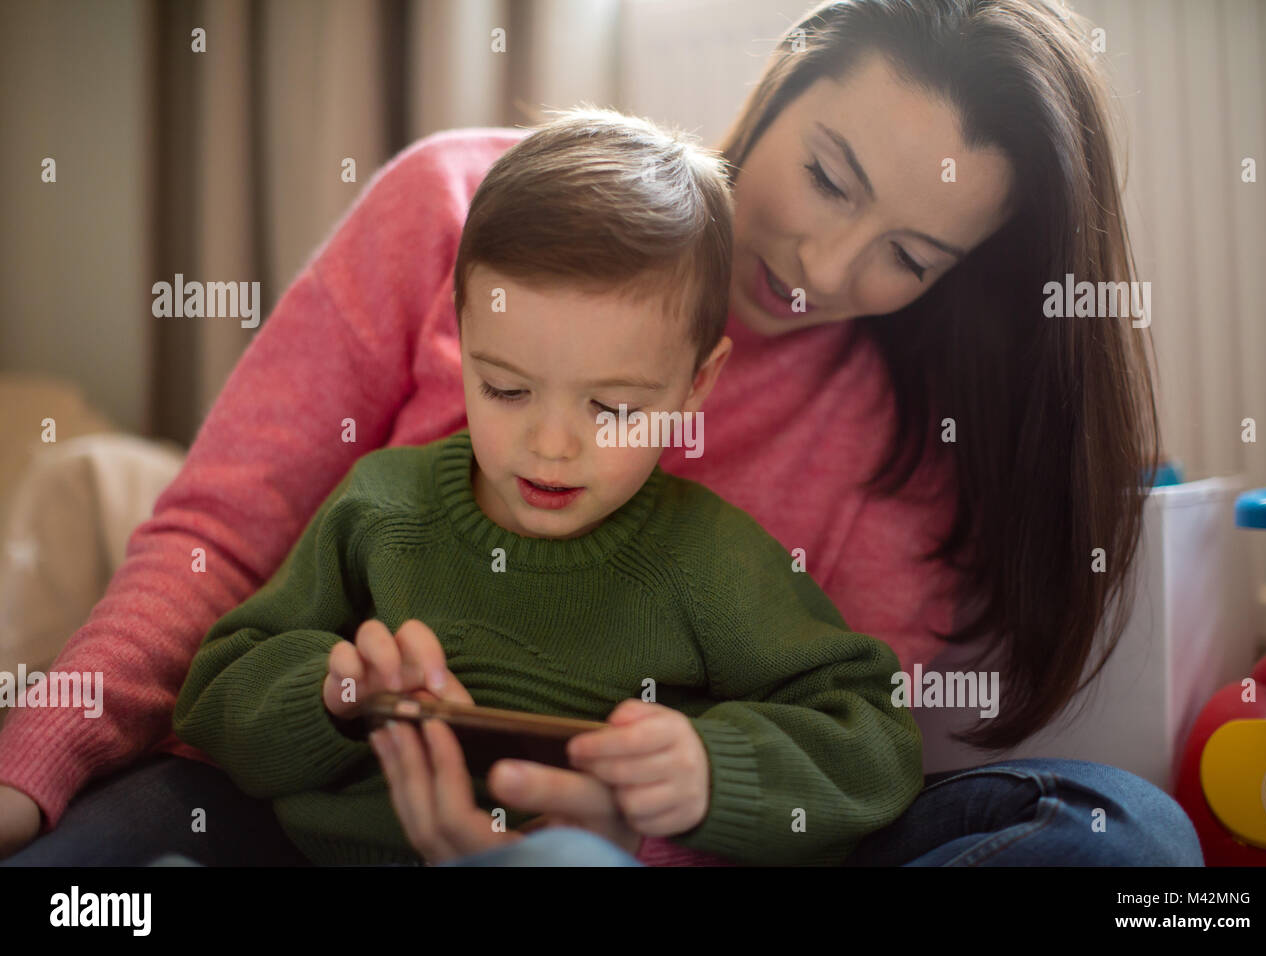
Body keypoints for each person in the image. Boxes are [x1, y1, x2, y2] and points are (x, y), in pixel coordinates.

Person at [0, 0, 1203, 867]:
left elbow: (849, 750)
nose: (824, 266)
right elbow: (219, 536)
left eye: (910, 255)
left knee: (1118, 831)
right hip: (311, 815)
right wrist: (35, 760)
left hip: (650, 847)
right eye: (830, 179)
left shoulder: (899, 431)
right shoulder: (455, 218)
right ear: (781, 81)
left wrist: (636, 819)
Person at [170, 108, 924, 867]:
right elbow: (214, 694)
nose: (552, 446)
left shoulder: (712, 561)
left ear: (698, 387)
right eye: (505, 389)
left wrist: (709, 773)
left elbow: (874, 739)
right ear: (464, 345)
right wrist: (332, 697)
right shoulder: (382, 505)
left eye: (615, 409)